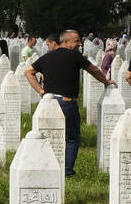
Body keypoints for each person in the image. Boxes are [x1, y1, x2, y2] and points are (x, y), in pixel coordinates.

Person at [25, 28, 115, 177]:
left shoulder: (47, 57)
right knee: (72, 138)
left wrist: (41, 91)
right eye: (77, 41)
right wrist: (105, 81)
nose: (80, 43)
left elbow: (28, 72)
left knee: (47, 136)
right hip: (66, 103)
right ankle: (66, 172)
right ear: (66, 42)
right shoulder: (75, 56)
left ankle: (44, 168)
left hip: (48, 103)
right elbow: (93, 70)